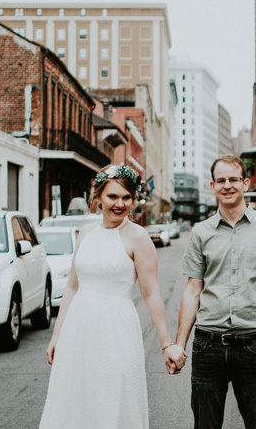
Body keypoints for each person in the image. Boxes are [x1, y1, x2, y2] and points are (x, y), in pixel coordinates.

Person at [40, 163, 186, 429]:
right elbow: (72, 287)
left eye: (126, 197)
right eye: (113, 196)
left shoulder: (138, 237)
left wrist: (167, 344)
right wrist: (56, 335)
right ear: (97, 198)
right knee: (76, 402)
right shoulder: (85, 233)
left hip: (116, 331)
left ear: (134, 200)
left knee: (112, 400)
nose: (120, 204)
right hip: (78, 330)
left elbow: (152, 293)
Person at [175, 155, 256, 429]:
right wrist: (179, 344)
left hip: (253, 345)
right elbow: (193, 289)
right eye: (221, 180)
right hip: (208, 344)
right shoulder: (201, 232)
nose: (227, 185)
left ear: (245, 184)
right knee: (205, 424)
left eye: (233, 179)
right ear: (212, 185)